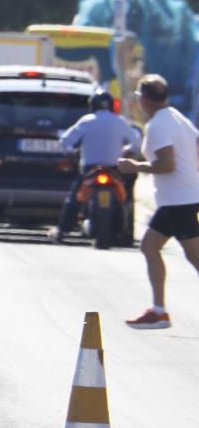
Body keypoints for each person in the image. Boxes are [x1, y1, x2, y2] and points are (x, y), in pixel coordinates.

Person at [113, 74, 199, 329]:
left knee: (195, 258)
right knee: (150, 247)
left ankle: (159, 311)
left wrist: (134, 166)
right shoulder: (176, 117)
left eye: (138, 97)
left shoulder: (160, 124)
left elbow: (167, 164)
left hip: (181, 200)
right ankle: (159, 311)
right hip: (176, 199)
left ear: (143, 99)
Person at [50, 91, 141, 242]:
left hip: (90, 169)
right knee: (124, 199)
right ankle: (125, 233)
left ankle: (62, 231)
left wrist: (71, 152)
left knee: (74, 198)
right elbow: (136, 143)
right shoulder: (119, 121)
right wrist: (126, 150)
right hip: (114, 169)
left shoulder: (87, 121)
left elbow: (65, 141)